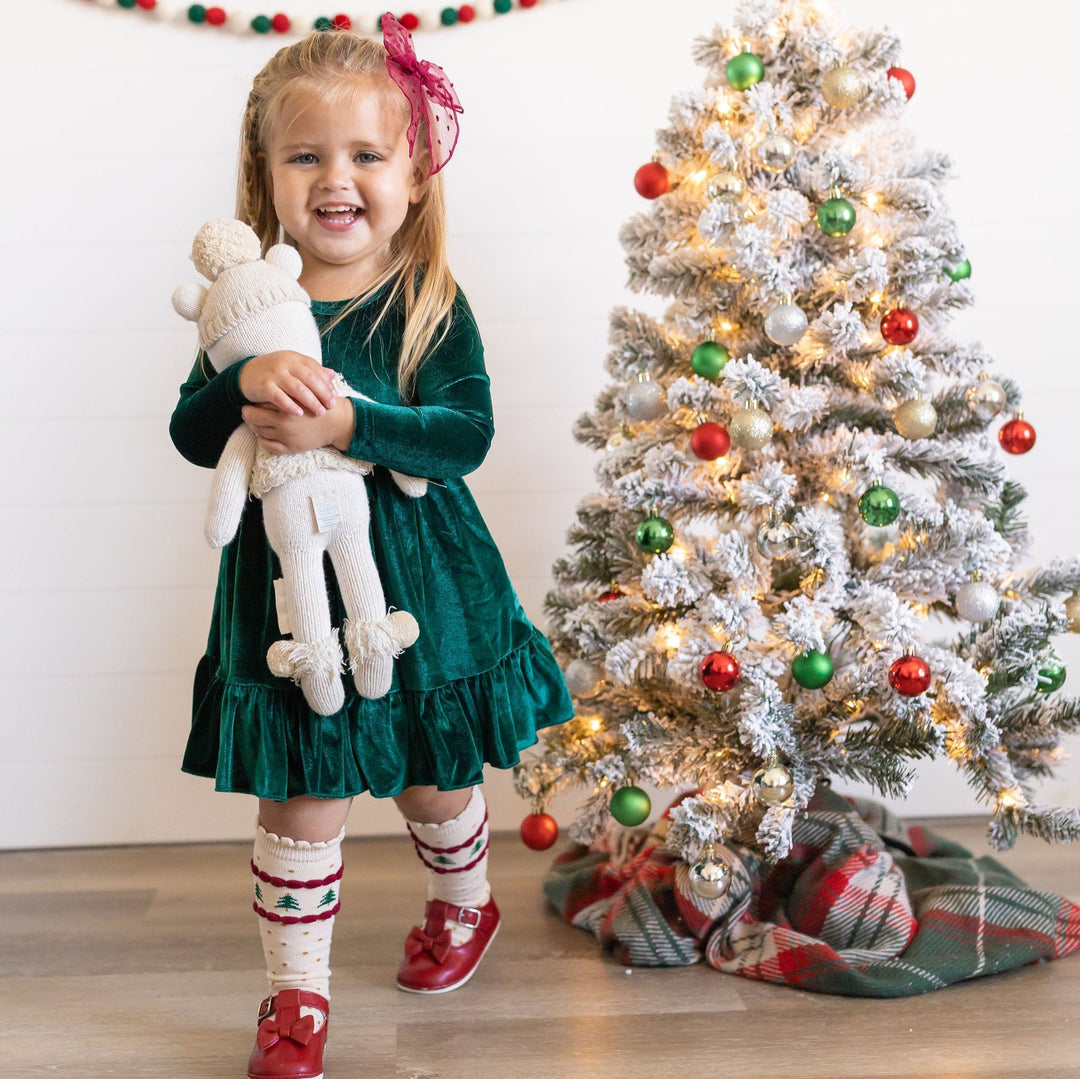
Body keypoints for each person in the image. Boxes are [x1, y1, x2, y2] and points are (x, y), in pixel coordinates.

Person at [168, 16, 573, 1079]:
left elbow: (465, 435)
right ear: (265, 179)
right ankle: (296, 993)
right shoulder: (245, 311)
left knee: (435, 781)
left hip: (425, 587)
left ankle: (465, 903)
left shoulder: (427, 300)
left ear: (415, 174)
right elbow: (188, 432)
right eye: (306, 156)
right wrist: (238, 384)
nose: (335, 179)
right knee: (301, 794)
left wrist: (349, 423)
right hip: (290, 600)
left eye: (364, 155)